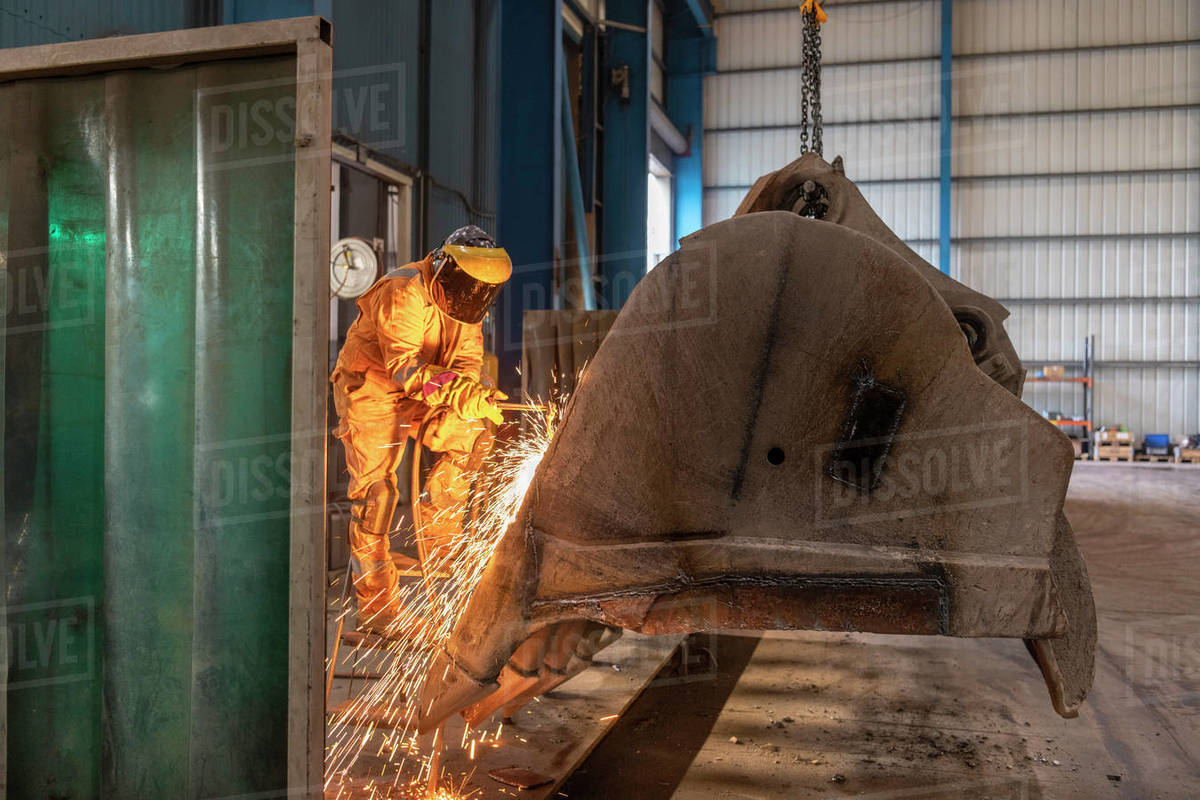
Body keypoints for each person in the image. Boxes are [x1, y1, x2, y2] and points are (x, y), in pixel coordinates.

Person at [331, 224, 511, 636]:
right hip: (372, 388)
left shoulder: (466, 307)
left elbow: (465, 364)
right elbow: (407, 370)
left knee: (471, 436)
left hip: (421, 391)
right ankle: (378, 609)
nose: (473, 298)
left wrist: (473, 392)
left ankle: (441, 546)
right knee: (376, 495)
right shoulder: (404, 290)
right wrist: (458, 391)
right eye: (468, 287)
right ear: (444, 268)